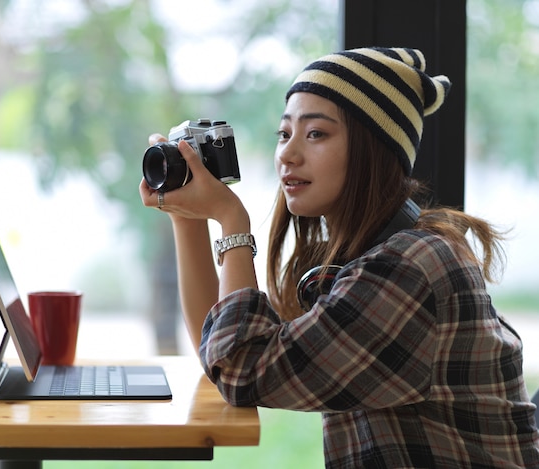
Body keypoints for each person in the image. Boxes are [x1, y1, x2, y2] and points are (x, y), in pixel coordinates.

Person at [139, 47, 539, 468]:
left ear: (374, 149)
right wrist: (186, 218)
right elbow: (221, 346)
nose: (288, 155)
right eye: (284, 133)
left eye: (316, 134)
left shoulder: (413, 266)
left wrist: (231, 219)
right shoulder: (365, 258)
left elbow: (241, 368)